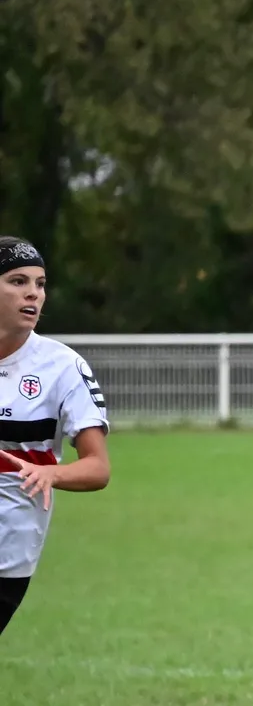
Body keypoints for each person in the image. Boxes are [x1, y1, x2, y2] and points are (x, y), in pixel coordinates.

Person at [0, 237, 110, 636]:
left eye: (40, 283)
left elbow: (98, 468)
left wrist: (51, 474)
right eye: (17, 281)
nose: (33, 292)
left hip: (8, 549)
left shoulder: (62, 367)